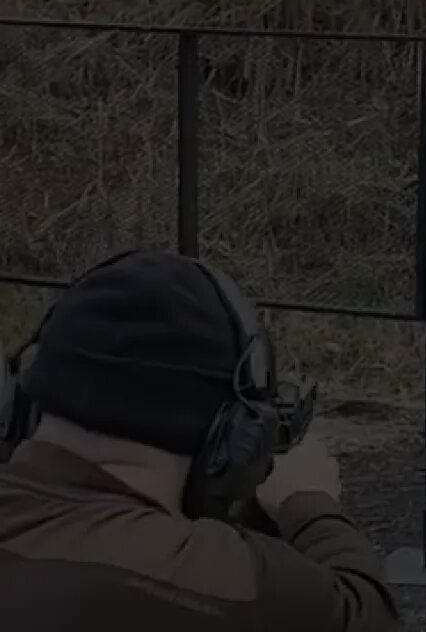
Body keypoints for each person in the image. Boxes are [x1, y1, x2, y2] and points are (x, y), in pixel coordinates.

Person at [0, 250, 399, 631]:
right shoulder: (224, 580)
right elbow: (367, 613)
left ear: (20, 403)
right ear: (230, 440)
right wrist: (310, 505)